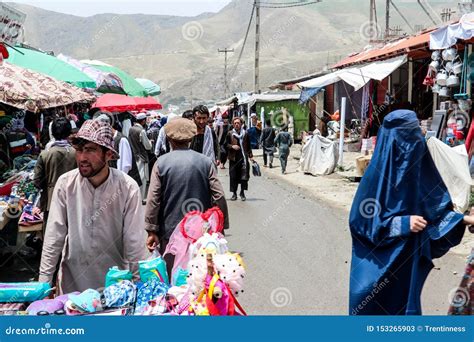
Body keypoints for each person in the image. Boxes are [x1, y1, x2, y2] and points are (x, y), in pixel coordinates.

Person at [349, 110, 474, 315]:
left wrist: (464, 219)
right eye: (410, 131)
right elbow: (360, 224)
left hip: (407, 265)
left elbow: (437, 213)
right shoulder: (375, 180)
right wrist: (401, 224)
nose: (417, 136)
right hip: (376, 270)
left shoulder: (421, 171)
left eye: (418, 129)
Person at [38, 120, 147, 294]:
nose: (82, 157)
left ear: (109, 154)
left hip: (115, 287)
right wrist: (43, 285)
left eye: (91, 150)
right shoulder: (66, 184)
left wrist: (139, 287)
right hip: (72, 286)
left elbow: (135, 243)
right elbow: (54, 236)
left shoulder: (127, 187)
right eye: (80, 150)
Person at [145, 118, 229, 276]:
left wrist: (151, 230)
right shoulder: (205, 162)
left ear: (169, 139)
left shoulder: (161, 163)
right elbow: (219, 196)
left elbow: (153, 199)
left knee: (173, 283)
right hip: (200, 234)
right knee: (199, 281)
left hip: (169, 234)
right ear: (191, 138)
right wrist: (220, 227)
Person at [33, 118, 77, 233]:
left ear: (52, 133)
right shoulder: (76, 153)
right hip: (74, 199)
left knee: (52, 235)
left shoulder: (45, 154)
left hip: (50, 201)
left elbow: (37, 181)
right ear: (69, 133)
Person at [226, 116, 253, 201]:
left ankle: (242, 193)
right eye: (235, 123)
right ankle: (234, 194)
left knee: (244, 177)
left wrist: (251, 156)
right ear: (233, 124)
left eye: (238, 123)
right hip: (233, 159)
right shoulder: (230, 133)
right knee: (233, 177)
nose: (236, 124)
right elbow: (225, 145)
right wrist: (232, 146)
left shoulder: (246, 134)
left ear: (241, 124)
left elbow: (248, 146)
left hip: (243, 159)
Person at [128, 113, 152, 202]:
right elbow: (147, 146)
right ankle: (141, 198)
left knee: (135, 177)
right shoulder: (141, 131)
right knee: (143, 178)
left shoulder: (130, 129)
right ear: (143, 121)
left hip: (134, 156)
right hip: (142, 157)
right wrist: (150, 142)